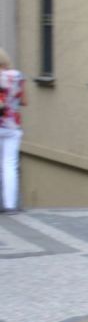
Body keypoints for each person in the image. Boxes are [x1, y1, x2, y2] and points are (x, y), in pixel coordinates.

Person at [0, 49, 26, 213]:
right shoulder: (17, 76)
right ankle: (10, 205)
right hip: (12, 126)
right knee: (10, 165)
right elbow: (24, 101)